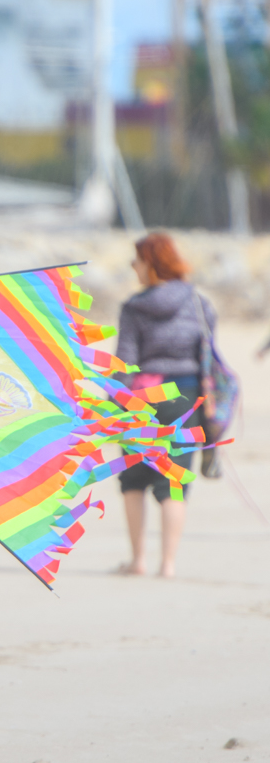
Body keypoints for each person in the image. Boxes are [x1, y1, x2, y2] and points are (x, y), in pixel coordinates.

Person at [115, 232, 215, 579]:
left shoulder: (134, 307)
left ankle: (138, 559)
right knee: (174, 481)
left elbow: (125, 362)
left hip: (144, 398)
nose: (133, 267)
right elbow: (208, 355)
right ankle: (168, 564)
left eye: (137, 260)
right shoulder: (200, 304)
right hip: (187, 397)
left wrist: (114, 403)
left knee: (134, 479)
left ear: (151, 265)